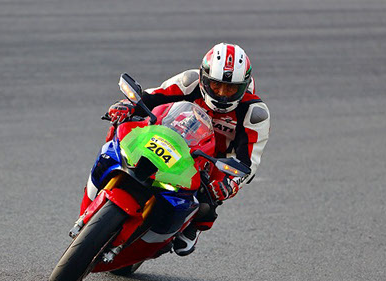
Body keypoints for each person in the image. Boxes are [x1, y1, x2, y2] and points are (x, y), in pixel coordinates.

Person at [105, 42, 270, 256]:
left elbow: (249, 162)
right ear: (204, 78)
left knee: (208, 201)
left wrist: (230, 183)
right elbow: (151, 97)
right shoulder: (189, 82)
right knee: (125, 126)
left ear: (244, 86)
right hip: (171, 136)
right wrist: (127, 106)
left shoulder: (255, 113)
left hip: (212, 161)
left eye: (231, 89)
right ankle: (110, 161)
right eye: (216, 86)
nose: (222, 94)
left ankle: (192, 226)